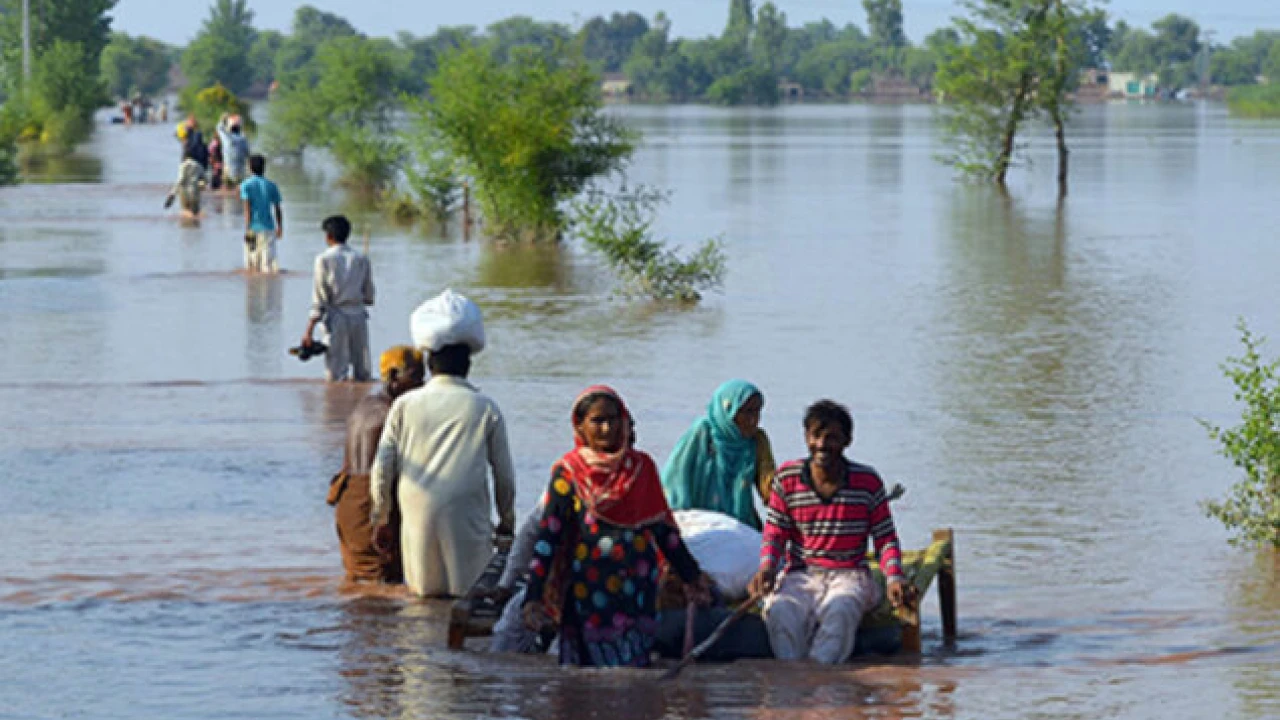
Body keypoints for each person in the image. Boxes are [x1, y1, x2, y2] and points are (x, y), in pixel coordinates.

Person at [521, 386, 711, 667]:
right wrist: (533, 595)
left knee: (633, 668)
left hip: (636, 590)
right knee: (588, 674)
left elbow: (664, 533)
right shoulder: (568, 472)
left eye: (614, 419)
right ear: (581, 426)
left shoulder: (641, 468)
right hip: (588, 591)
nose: (607, 428)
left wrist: (691, 576)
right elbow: (550, 535)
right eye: (597, 421)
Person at [747, 400, 907, 665]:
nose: (822, 445)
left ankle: (823, 685)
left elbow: (885, 538)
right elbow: (775, 534)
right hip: (801, 574)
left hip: (850, 573)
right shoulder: (787, 479)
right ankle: (793, 683)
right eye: (815, 436)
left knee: (841, 609)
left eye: (832, 438)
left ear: (847, 441)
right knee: (780, 611)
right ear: (806, 438)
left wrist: (894, 578)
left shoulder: (867, 482)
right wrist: (767, 569)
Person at [369, 343, 517, 598]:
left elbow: (382, 467)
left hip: (417, 512)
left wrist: (381, 517)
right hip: (467, 515)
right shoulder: (485, 407)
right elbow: (504, 474)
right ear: (468, 367)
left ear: (429, 367)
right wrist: (506, 521)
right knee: (467, 598)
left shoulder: (404, 405)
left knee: (421, 600)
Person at [328, 346, 425, 584]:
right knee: (381, 587)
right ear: (393, 377)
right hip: (369, 504)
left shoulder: (365, 405)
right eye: (415, 377)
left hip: (348, 501)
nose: (422, 385)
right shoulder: (393, 414)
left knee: (358, 586)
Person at [661, 379, 777, 530]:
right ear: (729, 410)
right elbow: (677, 479)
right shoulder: (703, 433)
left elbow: (769, 485)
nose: (754, 420)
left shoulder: (757, 441)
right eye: (747, 412)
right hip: (700, 523)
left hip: (741, 524)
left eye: (757, 411)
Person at [300, 216, 375, 382]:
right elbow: (369, 296)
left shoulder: (324, 259)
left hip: (336, 319)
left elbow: (319, 299)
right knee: (363, 373)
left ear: (328, 236)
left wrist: (309, 330)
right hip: (359, 317)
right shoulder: (361, 258)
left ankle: (336, 406)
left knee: (335, 376)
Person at [240, 154, 283, 274]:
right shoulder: (272, 185)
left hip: (253, 227)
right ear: (264, 168)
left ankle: (254, 291)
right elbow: (277, 208)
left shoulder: (246, 185)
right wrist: (280, 227)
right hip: (268, 228)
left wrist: (247, 228)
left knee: (252, 266)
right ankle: (267, 290)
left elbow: (247, 208)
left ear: (250, 168)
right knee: (268, 266)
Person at [167, 146, 205, 219]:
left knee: (186, 214)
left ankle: (187, 229)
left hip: (184, 192)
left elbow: (180, 180)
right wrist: (201, 186)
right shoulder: (198, 165)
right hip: (195, 192)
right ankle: (196, 229)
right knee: (195, 214)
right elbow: (204, 179)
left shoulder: (183, 166)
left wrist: (172, 194)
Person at [216, 113, 250, 190]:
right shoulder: (243, 140)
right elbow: (248, 155)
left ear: (230, 129)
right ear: (239, 129)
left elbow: (219, 128)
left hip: (228, 172)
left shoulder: (227, 139)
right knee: (240, 194)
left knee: (228, 195)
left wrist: (223, 118)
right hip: (241, 173)